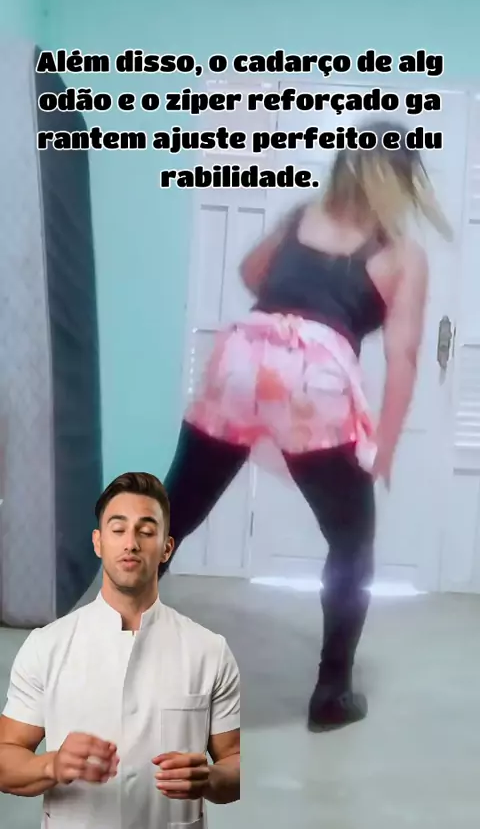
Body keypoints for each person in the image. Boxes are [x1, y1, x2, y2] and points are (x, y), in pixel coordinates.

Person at [160, 120, 452, 732]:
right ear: (405, 182)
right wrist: (384, 446)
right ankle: (332, 694)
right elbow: (402, 356)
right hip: (313, 379)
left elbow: (251, 273)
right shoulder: (402, 254)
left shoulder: (300, 217)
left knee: (175, 510)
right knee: (351, 542)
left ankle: (102, 651)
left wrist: (289, 304)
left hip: (242, 358)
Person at [0, 472, 240, 829]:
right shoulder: (46, 646)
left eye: (146, 531)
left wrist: (211, 778)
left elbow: (234, 760)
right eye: (118, 529)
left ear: (167, 548)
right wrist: (51, 765)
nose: (131, 543)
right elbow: (6, 758)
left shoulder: (209, 651)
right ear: (98, 542)